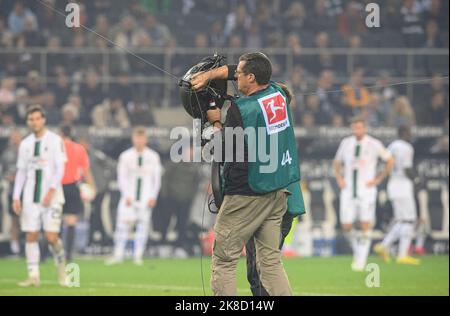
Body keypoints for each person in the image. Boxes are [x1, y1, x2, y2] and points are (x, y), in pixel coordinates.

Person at [191, 52, 303, 296]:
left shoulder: (242, 110)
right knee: (270, 263)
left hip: (247, 192)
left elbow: (223, 151)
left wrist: (216, 123)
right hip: (277, 192)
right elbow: (237, 70)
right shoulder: (279, 93)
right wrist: (210, 74)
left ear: (251, 77)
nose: (236, 77)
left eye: (240, 74)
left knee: (224, 259)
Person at [12, 105, 67, 287]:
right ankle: (33, 275)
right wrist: (16, 196)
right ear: (28, 122)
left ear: (43, 119)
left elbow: (60, 168)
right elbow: (21, 172)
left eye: (37, 118)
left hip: (52, 196)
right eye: (31, 119)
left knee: (51, 237)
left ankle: (62, 266)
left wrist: (51, 189)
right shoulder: (25, 144)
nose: (34, 122)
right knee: (31, 235)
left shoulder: (55, 140)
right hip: (30, 196)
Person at [333, 116, 394, 271]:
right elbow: (337, 161)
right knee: (346, 225)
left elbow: (390, 160)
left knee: (365, 224)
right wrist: (339, 178)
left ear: (364, 128)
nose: (357, 130)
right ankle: (357, 252)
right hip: (348, 189)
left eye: (360, 127)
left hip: (366, 190)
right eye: (355, 127)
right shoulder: (346, 143)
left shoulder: (373, 143)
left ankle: (361, 260)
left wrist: (379, 178)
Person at [106, 127, 162, 266]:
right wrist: (126, 195)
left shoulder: (153, 156)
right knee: (122, 225)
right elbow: (121, 177)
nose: (139, 141)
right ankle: (118, 254)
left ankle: (138, 256)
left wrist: (153, 197)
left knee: (143, 226)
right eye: (137, 138)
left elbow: (157, 179)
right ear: (133, 139)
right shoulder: (125, 156)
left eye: (142, 138)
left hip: (145, 197)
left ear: (146, 139)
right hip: (128, 198)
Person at [374, 126, 421, 265]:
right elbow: (407, 169)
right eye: (409, 133)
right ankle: (402, 255)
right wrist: (417, 180)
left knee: (402, 220)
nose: (411, 135)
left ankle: (384, 246)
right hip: (403, 185)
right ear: (405, 133)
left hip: (392, 185)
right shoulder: (407, 147)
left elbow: (384, 162)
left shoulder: (392, 146)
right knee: (409, 220)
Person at [60, 125, 96, 262]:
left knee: (55, 221)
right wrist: (92, 187)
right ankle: (69, 254)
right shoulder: (79, 149)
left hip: (57, 187)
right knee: (71, 220)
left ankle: (48, 252)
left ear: (61, 133)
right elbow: (86, 171)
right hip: (73, 187)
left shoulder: (55, 148)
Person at [0, 129, 23, 255]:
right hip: (11, 189)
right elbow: (3, 171)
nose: (15, 140)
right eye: (13, 137)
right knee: (14, 218)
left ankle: (24, 243)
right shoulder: (6, 154)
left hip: (26, 189)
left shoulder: (27, 152)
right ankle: (14, 245)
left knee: (26, 218)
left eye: (17, 137)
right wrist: (8, 177)